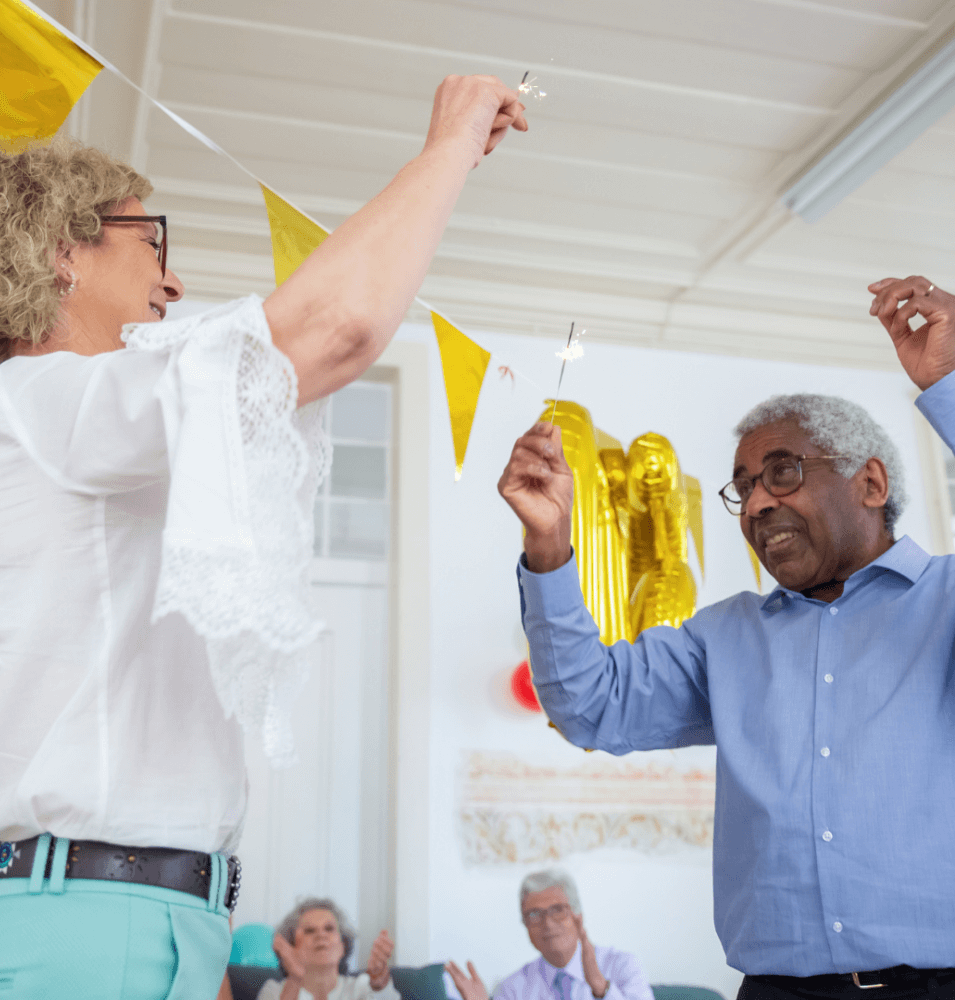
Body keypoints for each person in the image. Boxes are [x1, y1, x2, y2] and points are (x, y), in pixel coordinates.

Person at [0, 74, 527, 999]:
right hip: (84, 929)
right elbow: (334, 328)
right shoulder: (37, 404)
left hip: (148, 923)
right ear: (64, 252)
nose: (173, 280)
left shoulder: (56, 436)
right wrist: (449, 146)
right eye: (152, 241)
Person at [497, 274, 955, 1000]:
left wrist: (951, 383)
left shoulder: (946, 602)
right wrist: (549, 541)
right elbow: (588, 705)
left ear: (870, 484)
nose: (759, 502)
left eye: (784, 472)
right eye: (745, 486)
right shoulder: (727, 635)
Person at [446, 868, 652, 1000]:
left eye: (557, 910)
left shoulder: (623, 966)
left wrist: (600, 988)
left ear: (577, 915)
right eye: (534, 914)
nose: (547, 923)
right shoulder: (513, 990)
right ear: (525, 926)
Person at [258, 897, 398, 1000]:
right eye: (309, 931)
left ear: (343, 945)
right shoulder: (274, 991)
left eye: (329, 929)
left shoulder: (361, 988)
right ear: (292, 945)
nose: (321, 935)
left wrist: (379, 979)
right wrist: (295, 978)